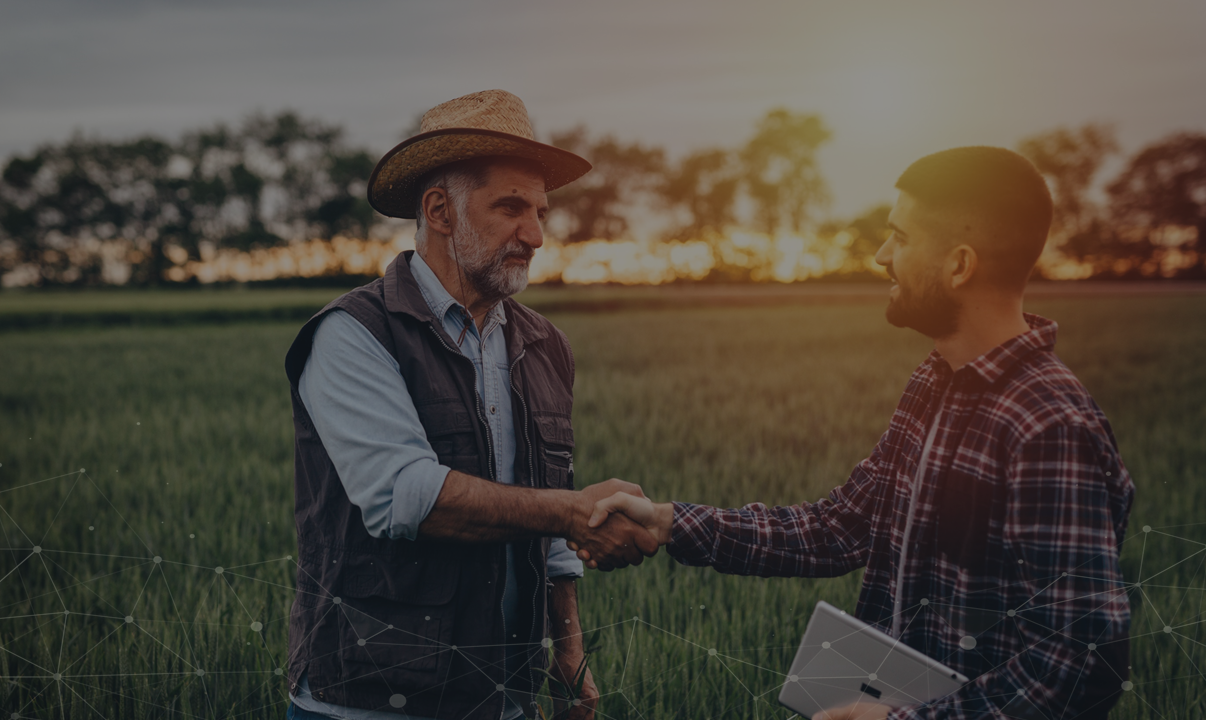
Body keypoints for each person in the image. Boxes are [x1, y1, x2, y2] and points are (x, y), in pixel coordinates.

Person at [582, 147, 1135, 720]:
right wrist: (670, 521)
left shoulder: (1048, 423)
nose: (881, 255)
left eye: (900, 235)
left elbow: (1083, 664)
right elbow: (842, 526)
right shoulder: (935, 382)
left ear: (959, 265)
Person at [282, 89, 657, 720]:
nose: (535, 234)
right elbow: (405, 496)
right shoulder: (354, 333)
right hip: (371, 700)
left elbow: (548, 511)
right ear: (440, 211)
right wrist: (572, 511)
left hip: (502, 695)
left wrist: (568, 649)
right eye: (511, 207)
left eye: (541, 211)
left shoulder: (544, 345)